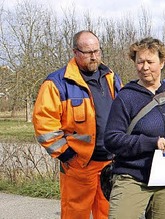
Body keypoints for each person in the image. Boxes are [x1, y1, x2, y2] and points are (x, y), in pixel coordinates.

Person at [32, 30, 122, 219]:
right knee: (75, 214)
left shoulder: (111, 78)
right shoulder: (57, 83)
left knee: (109, 214)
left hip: (110, 162)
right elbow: (44, 124)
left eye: (97, 51)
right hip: (78, 165)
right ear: (75, 52)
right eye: (88, 52)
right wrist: (67, 155)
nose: (94, 57)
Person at [105, 37, 165, 218]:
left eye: (150, 62)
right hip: (132, 177)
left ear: (162, 62)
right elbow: (112, 139)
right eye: (140, 62)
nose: (144, 67)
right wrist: (150, 142)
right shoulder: (125, 97)